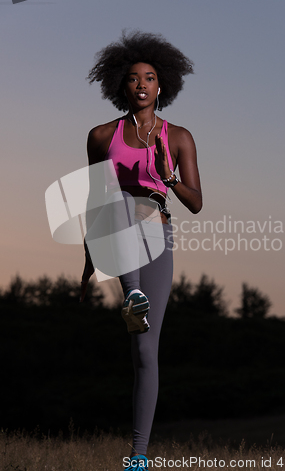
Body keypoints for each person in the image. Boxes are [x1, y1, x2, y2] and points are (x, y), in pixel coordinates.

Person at [79, 31, 202, 470]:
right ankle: (132, 292)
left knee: (146, 353)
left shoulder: (180, 136)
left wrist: (168, 178)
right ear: (121, 85)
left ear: (162, 85)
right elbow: (95, 202)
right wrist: (89, 263)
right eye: (133, 78)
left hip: (158, 238)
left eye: (150, 77)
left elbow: (195, 203)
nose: (142, 85)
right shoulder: (100, 136)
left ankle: (138, 457)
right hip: (116, 227)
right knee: (119, 199)